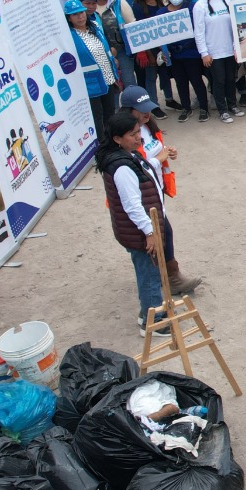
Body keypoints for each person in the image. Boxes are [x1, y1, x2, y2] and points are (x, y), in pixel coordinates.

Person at [118, 86, 202, 294]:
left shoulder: (146, 126)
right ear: (128, 110)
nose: (147, 113)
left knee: (165, 233)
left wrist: (165, 152)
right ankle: (163, 285)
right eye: (141, 109)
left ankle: (170, 277)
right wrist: (158, 159)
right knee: (156, 238)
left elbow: (151, 151)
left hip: (154, 190)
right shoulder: (125, 135)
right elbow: (134, 165)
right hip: (142, 195)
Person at [98, 112, 172, 335]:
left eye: (139, 132)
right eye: (132, 134)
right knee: (149, 275)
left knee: (149, 271)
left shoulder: (125, 156)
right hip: (139, 233)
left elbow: (144, 167)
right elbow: (132, 206)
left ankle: (150, 313)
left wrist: (159, 159)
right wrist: (150, 232)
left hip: (136, 231)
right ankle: (153, 321)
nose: (139, 137)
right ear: (117, 139)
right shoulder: (121, 168)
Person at [192, 0, 241, 122]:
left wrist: (236, 47)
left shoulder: (227, 1)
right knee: (218, 81)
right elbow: (198, 32)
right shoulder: (199, 6)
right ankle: (222, 110)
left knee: (231, 79)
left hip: (229, 50)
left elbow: (235, 26)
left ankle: (232, 105)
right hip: (213, 52)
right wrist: (204, 53)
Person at [163, 0, 210, 122]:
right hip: (174, 56)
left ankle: (204, 108)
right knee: (180, 82)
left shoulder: (192, 8)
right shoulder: (161, 13)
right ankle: (186, 108)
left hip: (191, 53)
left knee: (196, 81)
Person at [66, 0, 119, 124]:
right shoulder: (69, 37)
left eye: (81, 12)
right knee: (97, 116)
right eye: (75, 14)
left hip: (108, 77)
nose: (80, 17)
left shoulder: (95, 27)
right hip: (90, 83)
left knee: (110, 111)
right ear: (69, 18)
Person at [130, 0, 169, 112]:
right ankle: (154, 106)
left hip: (162, 46)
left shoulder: (159, 2)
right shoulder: (137, 7)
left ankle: (169, 100)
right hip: (149, 48)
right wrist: (148, 54)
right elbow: (140, 33)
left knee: (165, 74)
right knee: (151, 77)